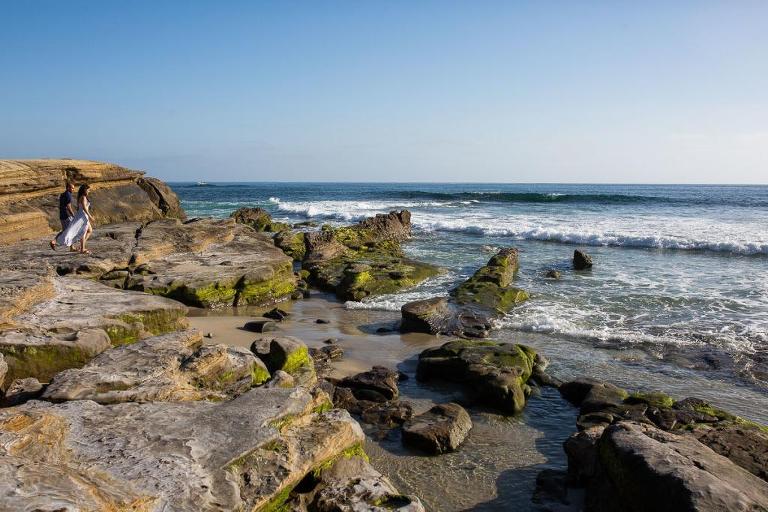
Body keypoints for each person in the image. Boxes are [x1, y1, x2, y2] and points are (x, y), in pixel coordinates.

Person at [53, 184, 95, 254]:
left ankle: (81, 246)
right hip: (83, 216)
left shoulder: (80, 197)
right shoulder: (83, 197)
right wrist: (90, 216)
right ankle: (82, 249)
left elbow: (79, 207)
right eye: (88, 190)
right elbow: (84, 208)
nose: (89, 191)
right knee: (84, 231)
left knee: (89, 230)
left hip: (81, 215)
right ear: (85, 190)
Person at [49, 181, 75, 250]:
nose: (73, 189)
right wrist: (73, 215)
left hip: (62, 215)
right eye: (72, 188)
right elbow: (68, 206)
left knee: (65, 230)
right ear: (68, 188)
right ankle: (71, 247)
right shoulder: (68, 195)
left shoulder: (62, 194)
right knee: (71, 230)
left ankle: (54, 241)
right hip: (67, 216)